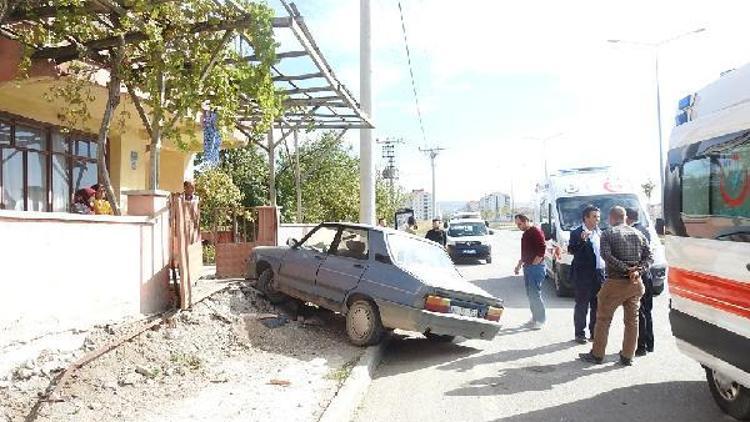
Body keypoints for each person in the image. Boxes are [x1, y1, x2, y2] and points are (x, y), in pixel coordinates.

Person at [580, 206, 652, 366]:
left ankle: (597, 355)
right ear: (625, 217)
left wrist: (626, 269)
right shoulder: (638, 233)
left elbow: (606, 255)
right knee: (632, 321)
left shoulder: (608, 233)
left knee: (603, 319)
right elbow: (649, 256)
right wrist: (638, 270)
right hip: (635, 283)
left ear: (611, 218)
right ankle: (627, 356)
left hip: (615, 282)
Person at [568, 205, 605, 344]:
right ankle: (579, 334)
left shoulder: (600, 233)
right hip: (583, 276)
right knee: (582, 305)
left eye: (599, 217)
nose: (597, 220)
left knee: (597, 305)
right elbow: (572, 250)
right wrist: (582, 241)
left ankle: (594, 332)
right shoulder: (577, 233)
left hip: (599, 274)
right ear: (586, 218)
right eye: (594, 217)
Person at [626, 207, 654, 356]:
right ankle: (649, 343)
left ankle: (641, 346)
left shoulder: (633, 232)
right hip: (647, 274)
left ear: (627, 218)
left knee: (640, 311)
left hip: (639, 275)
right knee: (647, 311)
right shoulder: (644, 229)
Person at [513, 214, 547, 329]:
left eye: (520, 224)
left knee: (535, 294)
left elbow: (542, 249)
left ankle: (541, 320)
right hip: (528, 267)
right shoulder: (526, 234)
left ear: (526, 221)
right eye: (517, 224)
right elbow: (525, 253)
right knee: (530, 294)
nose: (518, 226)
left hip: (535, 268)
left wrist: (534, 264)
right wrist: (518, 266)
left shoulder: (535, 231)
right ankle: (535, 318)